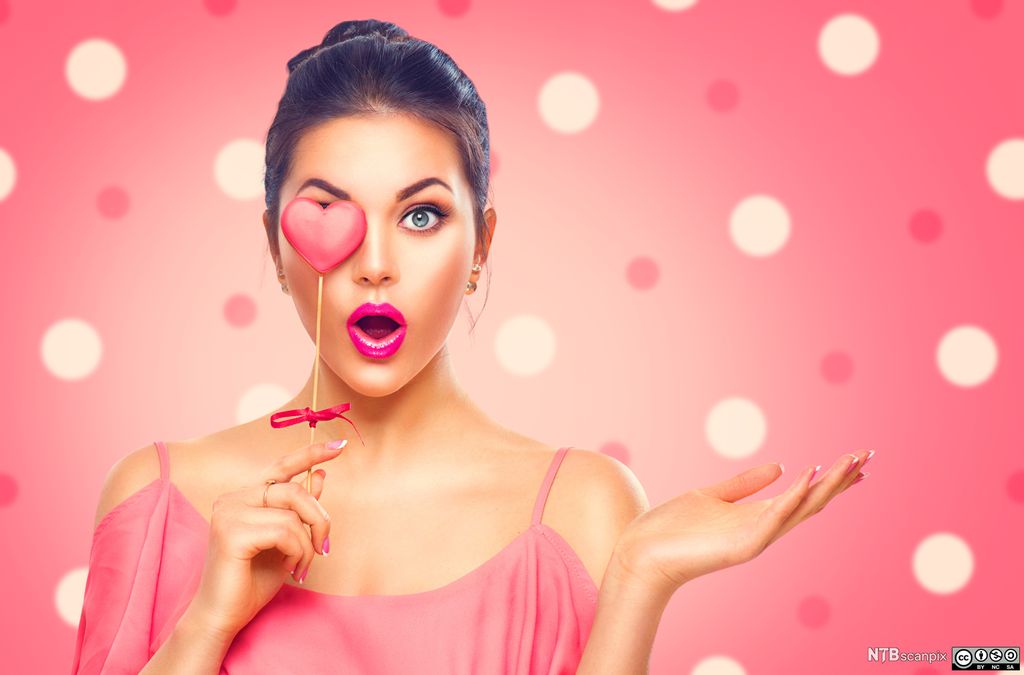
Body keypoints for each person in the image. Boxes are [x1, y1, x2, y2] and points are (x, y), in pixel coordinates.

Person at [71, 18, 873, 675]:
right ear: (277, 247)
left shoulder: (579, 506)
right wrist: (206, 623)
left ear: (481, 242)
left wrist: (640, 578)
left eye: (420, 215)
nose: (375, 264)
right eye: (331, 211)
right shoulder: (158, 500)